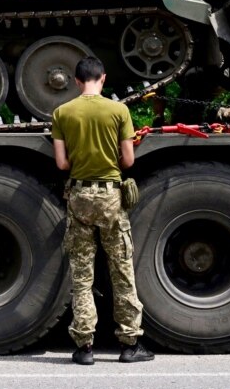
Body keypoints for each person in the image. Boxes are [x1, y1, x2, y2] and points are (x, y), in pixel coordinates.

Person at [51, 57, 154, 365]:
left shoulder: (62, 113)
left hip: (79, 195)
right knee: (121, 271)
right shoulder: (118, 110)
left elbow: (62, 164)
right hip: (111, 196)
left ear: (76, 80)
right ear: (103, 78)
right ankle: (129, 344)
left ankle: (84, 348)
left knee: (82, 275)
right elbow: (128, 161)